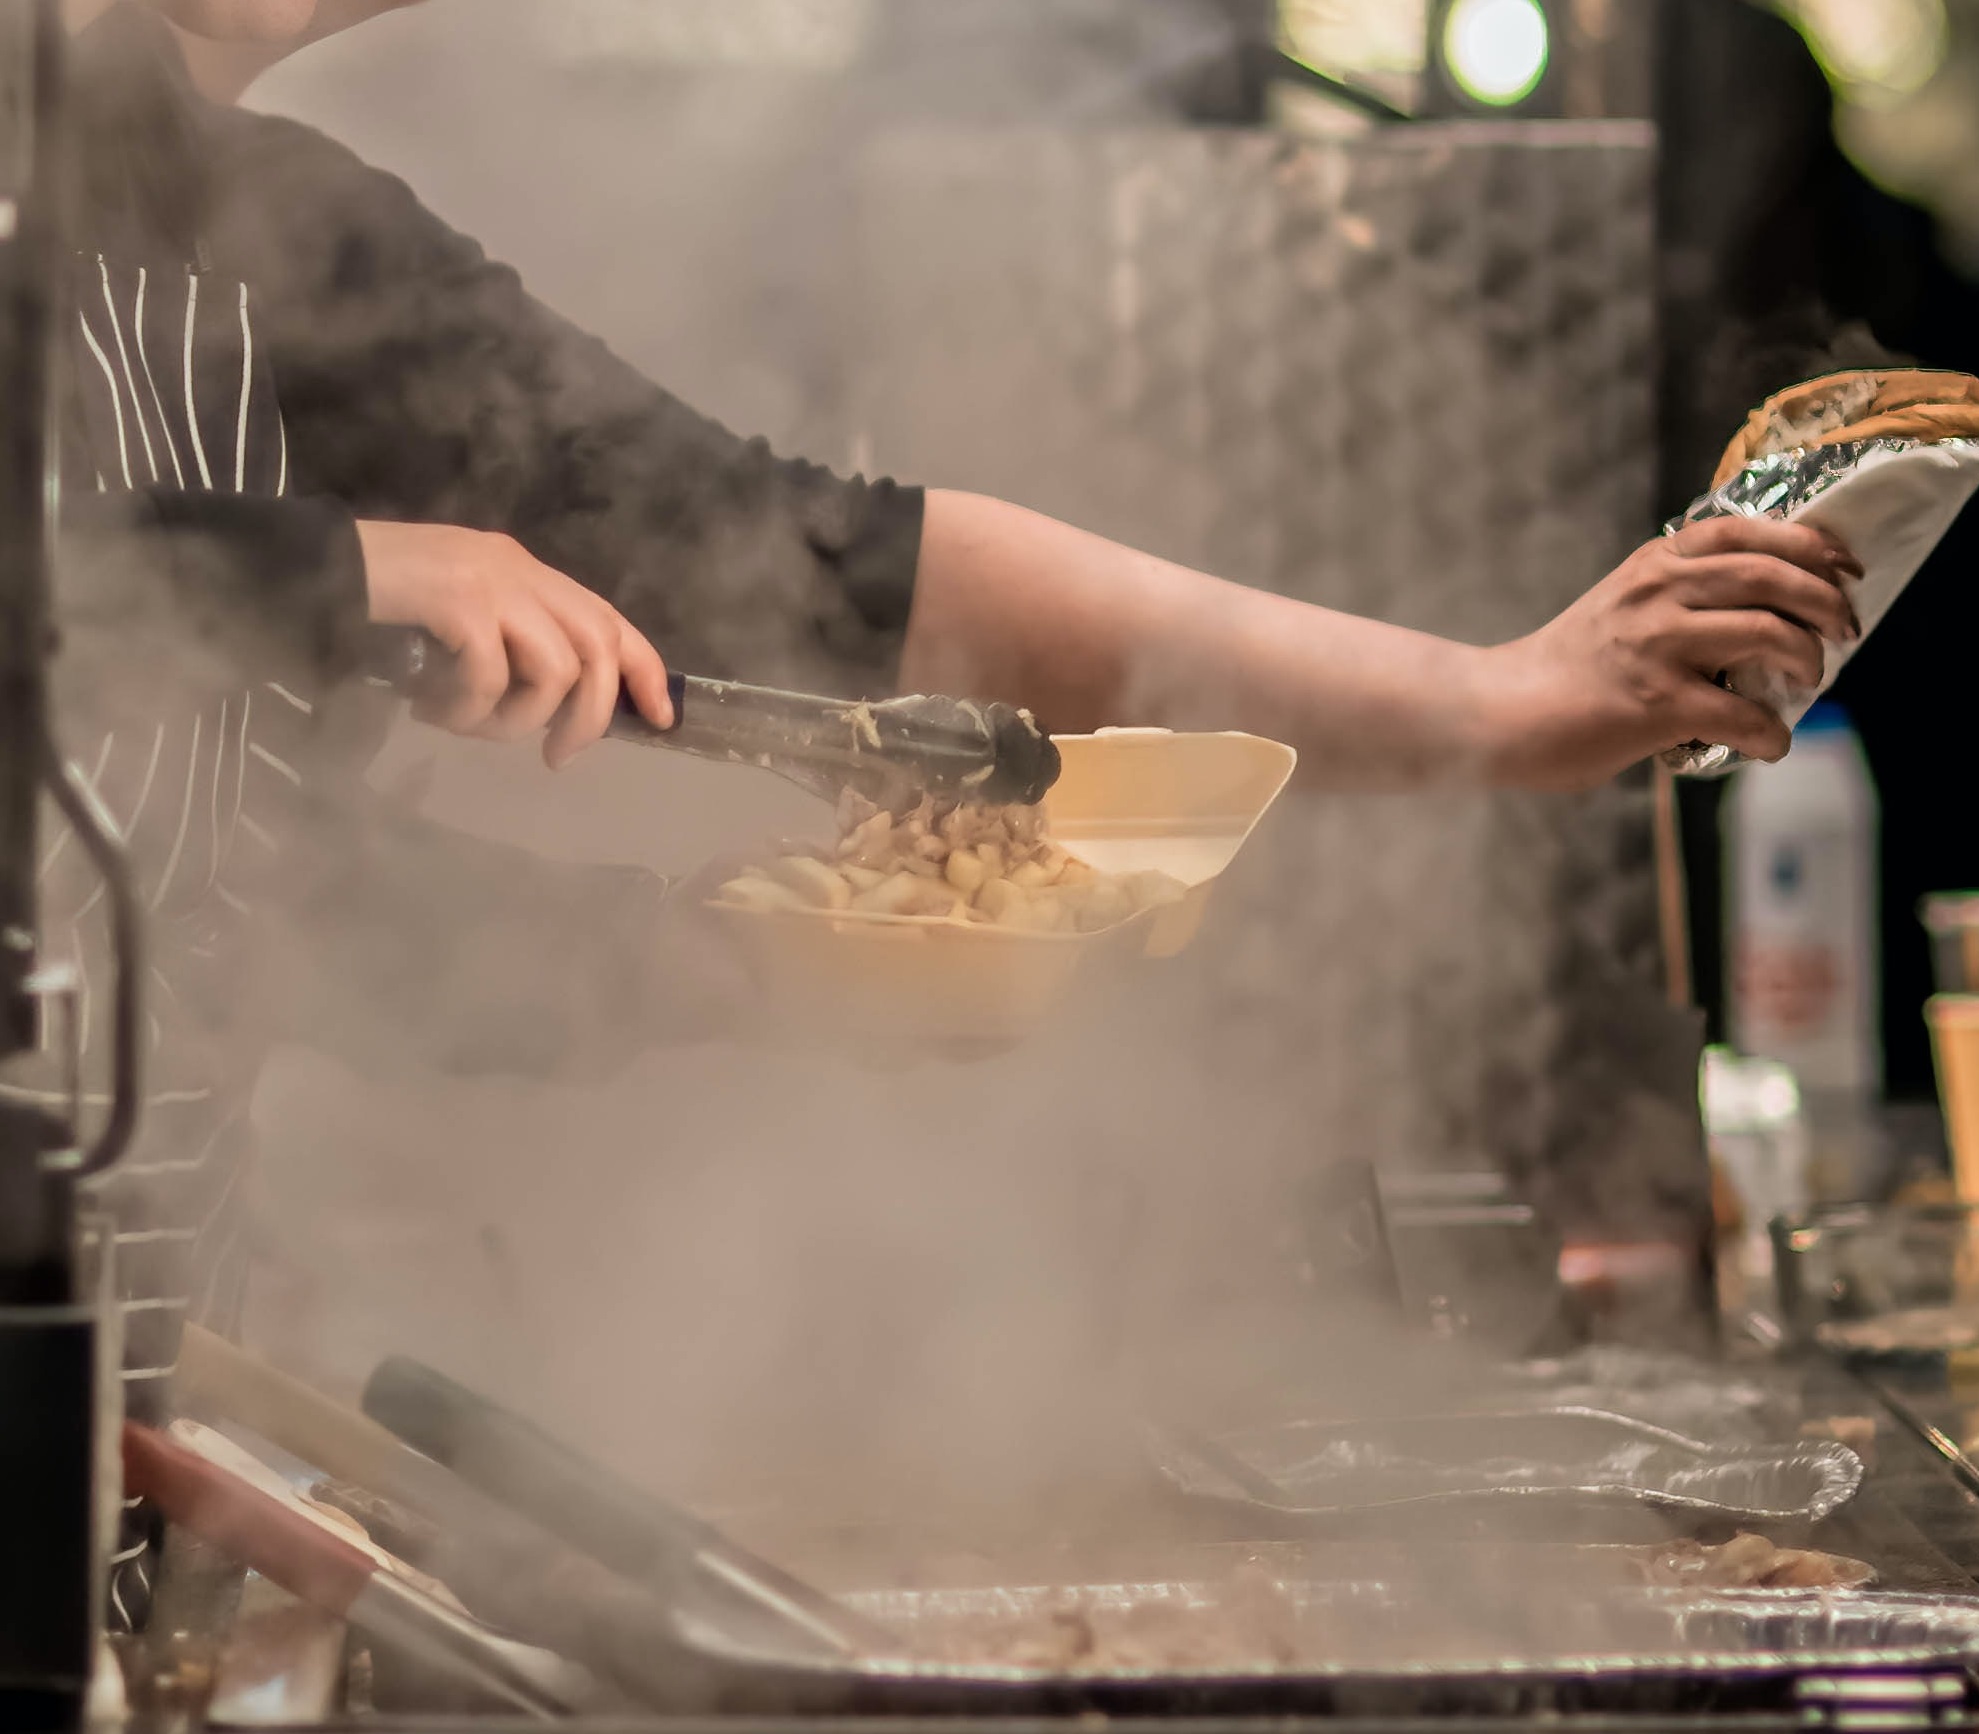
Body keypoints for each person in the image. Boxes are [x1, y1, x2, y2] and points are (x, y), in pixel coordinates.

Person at [36, 0, 1862, 1627]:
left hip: (108, 1403)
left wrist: (1497, 701)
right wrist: (314, 566)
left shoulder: (283, 234)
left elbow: (823, 561)